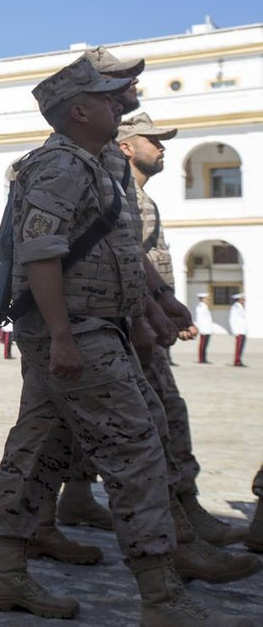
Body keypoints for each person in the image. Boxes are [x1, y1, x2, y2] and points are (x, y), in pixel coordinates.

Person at [0, 58, 251, 625]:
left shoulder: (92, 165)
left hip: (93, 328)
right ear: (79, 110)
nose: (118, 106)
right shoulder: (60, 165)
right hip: (76, 330)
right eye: (106, 99)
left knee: (38, 450)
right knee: (137, 452)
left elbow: (117, 244)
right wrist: (60, 336)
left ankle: (4, 576)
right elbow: (40, 251)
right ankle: (161, 596)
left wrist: (154, 297)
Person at [118, 112, 249, 546]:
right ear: (125, 147)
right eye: (151, 140)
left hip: (142, 317)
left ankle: (68, 504)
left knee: (70, 425)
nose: (161, 147)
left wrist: (163, 308)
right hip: (125, 322)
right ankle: (180, 515)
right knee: (163, 413)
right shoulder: (121, 194)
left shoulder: (138, 196)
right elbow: (123, 260)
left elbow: (144, 259)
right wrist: (147, 313)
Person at [194, 294, 213, 364]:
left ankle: (204, 358)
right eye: (207, 299)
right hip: (204, 329)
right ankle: (201, 359)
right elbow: (199, 319)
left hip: (207, 329)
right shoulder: (200, 307)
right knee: (202, 344)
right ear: (202, 299)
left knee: (205, 344)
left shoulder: (204, 307)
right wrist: (200, 329)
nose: (208, 300)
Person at [230, 294, 247, 367]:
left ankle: (239, 360)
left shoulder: (241, 307)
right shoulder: (235, 307)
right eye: (242, 299)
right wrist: (235, 331)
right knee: (238, 347)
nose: (244, 301)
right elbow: (232, 320)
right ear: (239, 300)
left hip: (243, 330)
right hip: (239, 331)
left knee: (241, 347)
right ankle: (237, 361)